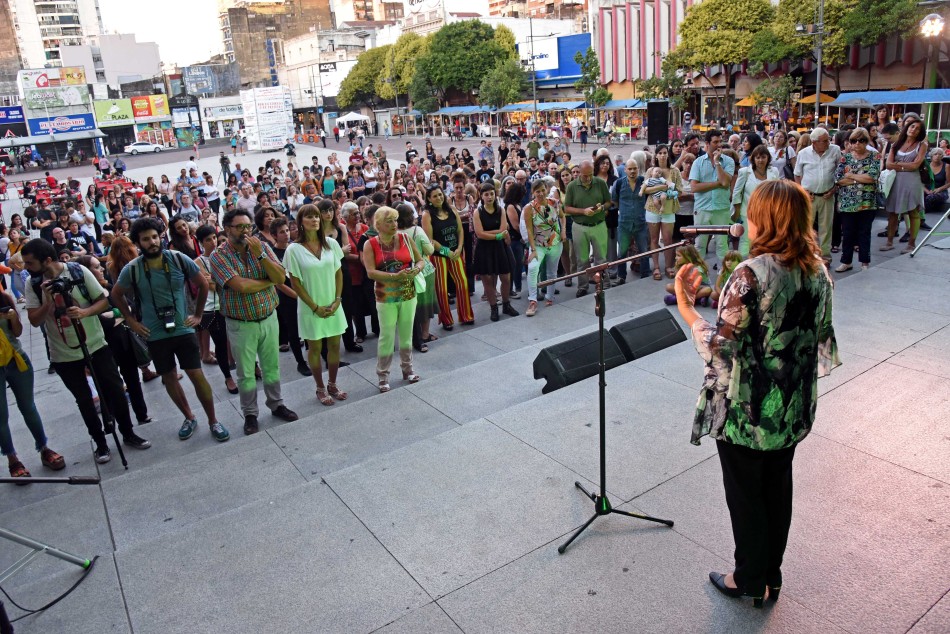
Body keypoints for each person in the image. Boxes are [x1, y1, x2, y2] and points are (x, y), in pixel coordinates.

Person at [674, 179, 839, 608]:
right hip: (791, 405)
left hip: (749, 412)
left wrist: (686, 305)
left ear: (765, 219)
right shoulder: (816, 270)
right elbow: (819, 336)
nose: (746, 219)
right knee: (777, 488)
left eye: (752, 211)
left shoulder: (750, 274)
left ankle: (747, 579)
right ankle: (771, 575)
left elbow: (720, 349)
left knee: (746, 495)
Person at [23, 239, 151, 464]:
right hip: (63, 353)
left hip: (95, 344)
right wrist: (47, 303)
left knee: (116, 391)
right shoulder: (33, 284)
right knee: (84, 400)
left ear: (48, 260)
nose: (26, 267)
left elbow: (104, 301)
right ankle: (100, 443)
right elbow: (34, 320)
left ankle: (128, 433)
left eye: (30, 263)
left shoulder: (78, 271)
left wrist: (84, 312)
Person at [112, 218, 230, 443]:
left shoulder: (177, 258)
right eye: (146, 239)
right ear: (138, 242)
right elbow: (116, 294)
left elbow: (203, 283)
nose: (152, 242)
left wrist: (196, 315)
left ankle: (213, 420)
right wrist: (131, 320)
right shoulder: (133, 268)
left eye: (155, 237)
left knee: (196, 373)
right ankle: (189, 417)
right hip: (154, 333)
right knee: (168, 377)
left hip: (183, 329)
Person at [209, 209, 299, 435]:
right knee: (246, 373)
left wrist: (260, 256)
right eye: (240, 227)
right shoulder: (218, 256)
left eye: (248, 226)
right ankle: (250, 413)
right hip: (241, 323)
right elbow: (242, 286)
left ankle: (276, 404)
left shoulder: (262, 247)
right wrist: (267, 281)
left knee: (271, 367)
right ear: (227, 229)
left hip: (268, 317)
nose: (245, 231)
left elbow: (280, 278)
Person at [282, 204, 348, 406]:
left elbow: (338, 272)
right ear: (301, 222)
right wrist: (314, 307)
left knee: (336, 344)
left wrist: (337, 300)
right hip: (311, 307)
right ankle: (320, 387)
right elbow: (295, 283)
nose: (315, 220)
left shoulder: (330, 243)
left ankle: (333, 383)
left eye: (317, 216)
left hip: (333, 303)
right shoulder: (293, 250)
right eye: (309, 217)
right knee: (315, 347)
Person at [0, 288, 65, 480]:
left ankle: (44, 449)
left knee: (28, 407)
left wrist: (12, 317)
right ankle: (13, 459)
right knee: (1, 416)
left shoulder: (3, 298)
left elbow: (18, 332)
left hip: (17, 359)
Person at [362, 206, 425, 392]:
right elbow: (370, 272)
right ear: (378, 224)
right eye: (389, 221)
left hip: (408, 292)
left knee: (407, 333)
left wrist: (417, 269)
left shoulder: (405, 238)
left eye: (395, 220)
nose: (394, 224)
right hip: (385, 296)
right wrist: (393, 277)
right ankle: (383, 375)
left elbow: (421, 260)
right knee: (387, 335)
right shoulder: (370, 244)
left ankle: (408, 369)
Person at [423, 184, 474, 329]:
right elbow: (430, 240)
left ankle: (466, 316)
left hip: (456, 252)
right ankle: (446, 320)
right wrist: (447, 252)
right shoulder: (427, 215)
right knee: (441, 289)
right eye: (435, 196)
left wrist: (459, 248)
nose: (439, 198)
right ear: (429, 199)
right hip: (439, 256)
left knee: (463, 283)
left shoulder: (451, 209)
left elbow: (460, 230)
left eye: (440, 194)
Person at [834, 128, 880, 272]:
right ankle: (846, 261)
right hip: (848, 202)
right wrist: (859, 180)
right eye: (853, 141)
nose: (857, 144)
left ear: (866, 142)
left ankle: (864, 262)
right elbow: (838, 179)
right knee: (847, 233)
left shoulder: (874, 156)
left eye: (861, 140)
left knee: (864, 233)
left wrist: (852, 176)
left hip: (867, 202)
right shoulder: (845, 157)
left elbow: (872, 177)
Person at [563, 160, 612, 297]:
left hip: (599, 225)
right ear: (579, 173)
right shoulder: (572, 186)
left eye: (590, 175)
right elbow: (566, 208)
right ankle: (583, 286)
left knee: (601, 258)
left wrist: (601, 207)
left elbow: (608, 202)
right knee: (582, 259)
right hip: (579, 226)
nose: (588, 178)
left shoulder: (600, 183)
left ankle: (603, 283)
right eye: (585, 176)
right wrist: (583, 211)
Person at [472, 182, 519, 321]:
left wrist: (492, 233)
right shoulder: (477, 212)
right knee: (487, 279)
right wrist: (497, 235)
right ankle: (493, 307)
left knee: (505, 277)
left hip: (500, 248)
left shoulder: (501, 209)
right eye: (486, 194)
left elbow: (504, 228)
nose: (489, 197)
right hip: (485, 248)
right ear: (481, 196)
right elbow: (479, 233)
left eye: (492, 193)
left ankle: (506, 304)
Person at [794, 127, 841, 261]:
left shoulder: (835, 150)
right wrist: (803, 191)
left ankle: (825, 256)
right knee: (806, 227)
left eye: (828, 140)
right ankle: (807, 254)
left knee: (826, 228)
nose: (828, 143)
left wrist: (834, 189)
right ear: (814, 142)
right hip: (809, 196)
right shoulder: (804, 153)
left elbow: (841, 172)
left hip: (827, 195)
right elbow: (797, 174)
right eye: (824, 141)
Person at [883, 115, 928, 254]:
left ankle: (911, 243)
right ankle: (889, 241)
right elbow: (888, 164)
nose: (914, 129)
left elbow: (915, 165)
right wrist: (904, 166)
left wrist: (898, 165)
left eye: (917, 128)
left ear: (921, 132)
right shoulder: (896, 144)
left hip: (912, 181)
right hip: (895, 181)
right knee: (892, 212)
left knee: (913, 211)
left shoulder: (922, 145)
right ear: (907, 127)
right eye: (912, 126)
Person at [690, 129, 736, 262]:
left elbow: (726, 182)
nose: (719, 145)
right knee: (700, 245)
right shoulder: (698, 162)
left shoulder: (728, 161)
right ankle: (699, 276)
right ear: (707, 143)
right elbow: (694, 187)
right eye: (715, 142)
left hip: (721, 208)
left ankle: (724, 275)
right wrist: (717, 184)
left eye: (720, 141)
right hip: (702, 209)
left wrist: (717, 163)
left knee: (722, 245)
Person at [523, 179, 565, 316]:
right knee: (533, 268)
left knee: (552, 271)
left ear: (546, 189)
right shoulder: (529, 208)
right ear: (533, 193)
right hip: (538, 245)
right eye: (537, 191)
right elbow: (529, 229)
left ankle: (550, 297)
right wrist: (533, 249)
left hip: (555, 242)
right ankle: (533, 300)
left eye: (542, 190)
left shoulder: (554, 202)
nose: (540, 193)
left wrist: (563, 230)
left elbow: (562, 217)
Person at [731, 145, 780, 257]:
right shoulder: (744, 172)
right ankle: (743, 266)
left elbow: (777, 192)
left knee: (766, 240)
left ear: (768, 158)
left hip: (768, 213)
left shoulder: (774, 171)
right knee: (746, 241)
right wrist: (737, 211)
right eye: (757, 157)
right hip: (747, 213)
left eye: (763, 157)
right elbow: (736, 193)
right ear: (753, 159)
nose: (760, 160)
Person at [611, 159, 649, 282]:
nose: (632, 171)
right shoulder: (619, 183)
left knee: (644, 251)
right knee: (622, 252)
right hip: (624, 223)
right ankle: (621, 276)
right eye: (630, 168)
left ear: (638, 169)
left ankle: (645, 275)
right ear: (625, 169)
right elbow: (615, 201)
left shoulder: (644, 182)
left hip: (641, 222)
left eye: (635, 168)